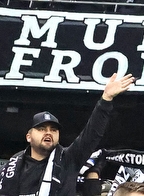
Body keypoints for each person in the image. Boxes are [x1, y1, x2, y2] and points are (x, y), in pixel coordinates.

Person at [0, 73, 134, 196]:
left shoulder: (69, 159)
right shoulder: (12, 167)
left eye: (53, 130)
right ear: (28, 136)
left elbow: (91, 135)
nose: (48, 133)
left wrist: (106, 99)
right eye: (41, 129)